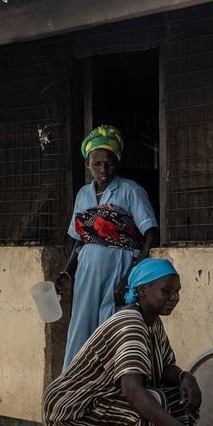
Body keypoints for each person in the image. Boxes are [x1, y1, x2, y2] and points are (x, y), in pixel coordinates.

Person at [43, 258, 203, 426]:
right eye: (166, 291)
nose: (174, 298)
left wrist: (187, 378)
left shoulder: (151, 321)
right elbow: (133, 391)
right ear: (142, 290)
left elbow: (163, 367)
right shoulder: (130, 324)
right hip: (72, 404)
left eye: (177, 292)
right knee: (149, 402)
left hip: (101, 400)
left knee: (178, 397)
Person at [55, 126, 160, 369]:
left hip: (119, 271)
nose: (103, 169)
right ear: (88, 164)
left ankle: (110, 391)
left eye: (109, 163)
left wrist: (130, 278)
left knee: (112, 329)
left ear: (118, 163)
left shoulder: (131, 190)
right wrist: (67, 273)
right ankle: (74, 388)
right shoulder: (83, 194)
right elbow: (80, 240)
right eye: (97, 163)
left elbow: (151, 235)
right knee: (82, 327)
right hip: (87, 275)